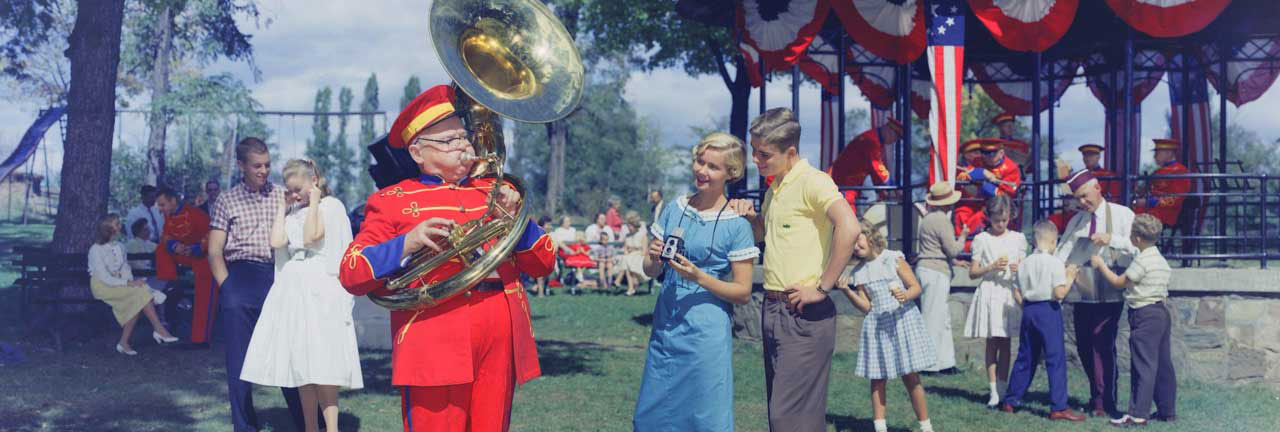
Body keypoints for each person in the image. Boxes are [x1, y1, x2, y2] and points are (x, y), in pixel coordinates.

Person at [337, 85, 555, 432]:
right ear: (417, 151)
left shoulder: (495, 192)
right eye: (449, 140)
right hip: (433, 329)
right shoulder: (392, 200)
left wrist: (518, 221)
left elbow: (543, 264)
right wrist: (407, 243)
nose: (464, 147)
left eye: (464, 138)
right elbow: (352, 273)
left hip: (499, 325)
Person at [729, 107, 860, 432]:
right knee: (791, 419)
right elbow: (764, 235)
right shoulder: (776, 188)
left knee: (787, 419)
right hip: (774, 309)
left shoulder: (814, 181)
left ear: (790, 152)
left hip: (802, 312)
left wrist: (822, 287)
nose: (756, 161)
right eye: (755, 152)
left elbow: (850, 227)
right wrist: (750, 218)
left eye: (764, 155)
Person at [634, 132, 758, 431]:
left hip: (706, 331)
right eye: (700, 162)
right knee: (654, 414)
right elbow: (650, 271)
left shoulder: (737, 224)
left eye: (712, 167)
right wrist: (653, 257)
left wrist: (699, 277)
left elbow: (742, 292)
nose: (702, 171)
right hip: (667, 323)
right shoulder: (675, 208)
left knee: (703, 415)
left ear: (731, 173)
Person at [241, 159, 362, 432]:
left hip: (321, 290)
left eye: (298, 189)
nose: (294, 195)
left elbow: (311, 236)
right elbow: (276, 243)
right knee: (302, 365)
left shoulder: (331, 207)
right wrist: (283, 207)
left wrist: (316, 201)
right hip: (295, 292)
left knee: (323, 362)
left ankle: (330, 427)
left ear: (314, 181)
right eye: (289, 190)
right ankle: (310, 427)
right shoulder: (293, 212)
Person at [208, 137, 306, 432]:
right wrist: (227, 288)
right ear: (241, 166)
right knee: (239, 362)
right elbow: (214, 251)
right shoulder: (226, 200)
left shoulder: (282, 195)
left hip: (277, 274)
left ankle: (306, 422)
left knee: (290, 355)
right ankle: (244, 426)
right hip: (239, 277)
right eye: (256, 166)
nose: (263, 171)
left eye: (266, 165)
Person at [1054, 169, 1138, 419]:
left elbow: (1138, 246)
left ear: (1098, 188)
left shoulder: (1123, 215)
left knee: (1102, 342)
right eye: (1078, 198)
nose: (1082, 202)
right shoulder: (1077, 221)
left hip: (1111, 285)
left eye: (1084, 196)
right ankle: (1096, 394)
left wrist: (1112, 239)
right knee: (1084, 344)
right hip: (1082, 287)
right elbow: (1062, 251)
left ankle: (1106, 401)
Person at [839, 222, 935, 432]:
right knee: (878, 378)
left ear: (870, 235)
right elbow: (867, 307)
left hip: (902, 321)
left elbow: (915, 287)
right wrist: (847, 290)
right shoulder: (859, 272)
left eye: (858, 240)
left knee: (910, 376)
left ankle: (926, 426)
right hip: (878, 325)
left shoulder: (893, 258)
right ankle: (880, 428)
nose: (855, 246)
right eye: (851, 243)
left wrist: (904, 295)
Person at [1092, 214, 1177, 427]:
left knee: (1143, 365)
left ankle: (1138, 414)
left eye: (1131, 234)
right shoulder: (1158, 257)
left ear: (1137, 238)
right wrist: (1111, 239)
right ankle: (1167, 410)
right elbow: (1130, 249)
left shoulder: (1141, 262)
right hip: (1161, 312)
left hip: (1144, 314)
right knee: (1163, 363)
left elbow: (1120, 282)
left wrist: (1101, 265)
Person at [999, 220, 1087, 421]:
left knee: (1025, 356)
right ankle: (1059, 406)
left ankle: (1010, 401)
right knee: (1055, 359)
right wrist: (1071, 275)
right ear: (1054, 241)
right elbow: (1059, 293)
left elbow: (1018, 292)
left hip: (1029, 309)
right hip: (1048, 310)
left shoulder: (1025, 263)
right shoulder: (1055, 263)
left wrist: (1028, 307)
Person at [963, 195, 1025, 407]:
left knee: (1006, 341)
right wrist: (991, 267)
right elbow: (973, 272)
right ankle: (992, 391)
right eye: (997, 220)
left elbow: (1024, 267)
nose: (1001, 224)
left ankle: (1002, 386)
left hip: (1007, 291)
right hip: (990, 291)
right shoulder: (982, 239)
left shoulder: (1017, 238)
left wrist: (1019, 269)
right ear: (989, 217)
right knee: (992, 342)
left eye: (1005, 220)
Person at [87, 214, 180, 356]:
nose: (120, 226)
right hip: (102, 286)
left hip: (118, 283)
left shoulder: (120, 246)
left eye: (119, 223)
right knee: (140, 295)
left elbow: (125, 268)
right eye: (117, 224)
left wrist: (131, 282)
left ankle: (125, 342)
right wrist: (128, 283)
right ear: (107, 228)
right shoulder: (96, 249)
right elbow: (104, 277)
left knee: (138, 295)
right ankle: (158, 329)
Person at [153, 187, 217, 348]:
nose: (160, 209)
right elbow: (166, 236)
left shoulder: (195, 214)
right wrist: (175, 246)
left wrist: (196, 248)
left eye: (162, 205)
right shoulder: (169, 215)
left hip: (203, 257)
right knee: (161, 248)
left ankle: (200, 339)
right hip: (185, 256)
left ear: (173, 201)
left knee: (205, 296)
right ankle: (169, 281)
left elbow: (212, 233)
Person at [915, 182, 967, 375]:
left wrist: (954, 263)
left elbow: (936, 248)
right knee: (934, 319)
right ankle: (928, 365)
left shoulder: (928, 218)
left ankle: (945, 362)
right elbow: (952, 249)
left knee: (940, 317)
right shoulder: (942, 220)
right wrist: (963, 237)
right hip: (935, 271)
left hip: (930, 268)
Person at [826, 118, 897, 215]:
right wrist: (893, 188)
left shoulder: (874, 139)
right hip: (842, 183)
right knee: (847, 217)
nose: (894, 141)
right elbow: (877, 167)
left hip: (849, 185)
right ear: (889, 131)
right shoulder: (871, 141)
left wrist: (882, 193)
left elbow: (873, 171)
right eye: (895, 137)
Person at [1133, 138, 1191, 228]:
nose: (1154, 156)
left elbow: (1176, 198)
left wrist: (1149, 202)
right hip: (1150, 210)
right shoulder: (1158, 171)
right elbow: (1148, 190)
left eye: (1158, 153)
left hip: (1164, 212)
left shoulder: (1180, 171)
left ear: (1169, 153)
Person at [953, 140, 986, 241]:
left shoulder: (983, 167)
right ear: (965, 154)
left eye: (980, 152)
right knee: (961, 216)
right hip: (965, 205)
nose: (978, 155)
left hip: (981, 205)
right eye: (975, 152)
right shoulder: (958, 170)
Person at [613, 211, 650, 296]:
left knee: (627, 260)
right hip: (629, 257)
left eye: (630, 226)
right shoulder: (627, 236)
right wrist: (628, 252)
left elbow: (644, 251)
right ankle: (630, 289)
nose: (629, 228)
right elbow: (625, 249)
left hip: (639, 256)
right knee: (627, 260)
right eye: (628, 226)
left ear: (635, 226)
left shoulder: (642, 235)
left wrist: (633, 249)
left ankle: (618, 280)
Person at [584, 212, 615, 290]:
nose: (603, 220)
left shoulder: (608, 229)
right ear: (597, 219)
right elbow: (589, 243)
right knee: (601, 265)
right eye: (601, 219)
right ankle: (603, 283)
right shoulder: (591, 228)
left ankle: (610, 282)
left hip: (607, 255)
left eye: (604, 219)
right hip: (596, 254)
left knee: (609, 265)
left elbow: (611, 242)